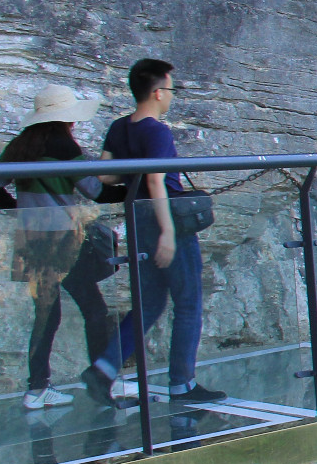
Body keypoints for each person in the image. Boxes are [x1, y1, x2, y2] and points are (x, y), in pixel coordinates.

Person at [86, 59, 225, 409]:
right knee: (189, 302)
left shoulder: (120, 127)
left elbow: (104, 175)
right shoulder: (157, 130)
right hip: (167, 222)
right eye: (171, 89)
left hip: (137, 220)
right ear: (158, 92)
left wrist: (131, 177)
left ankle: (104, 368)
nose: (171, 97)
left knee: (149, 303)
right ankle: (182, 384)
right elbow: (156, 179)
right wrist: (167, 232)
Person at [0, 85, 113, 409]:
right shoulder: (64, 144)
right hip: (64, 238)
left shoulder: (20, 145)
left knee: (45, 315)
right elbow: (94, 189)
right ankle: (103, 379)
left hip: (32, 238)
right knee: (94, 310)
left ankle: (36, 388)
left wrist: (19, 208)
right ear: (65, 118)